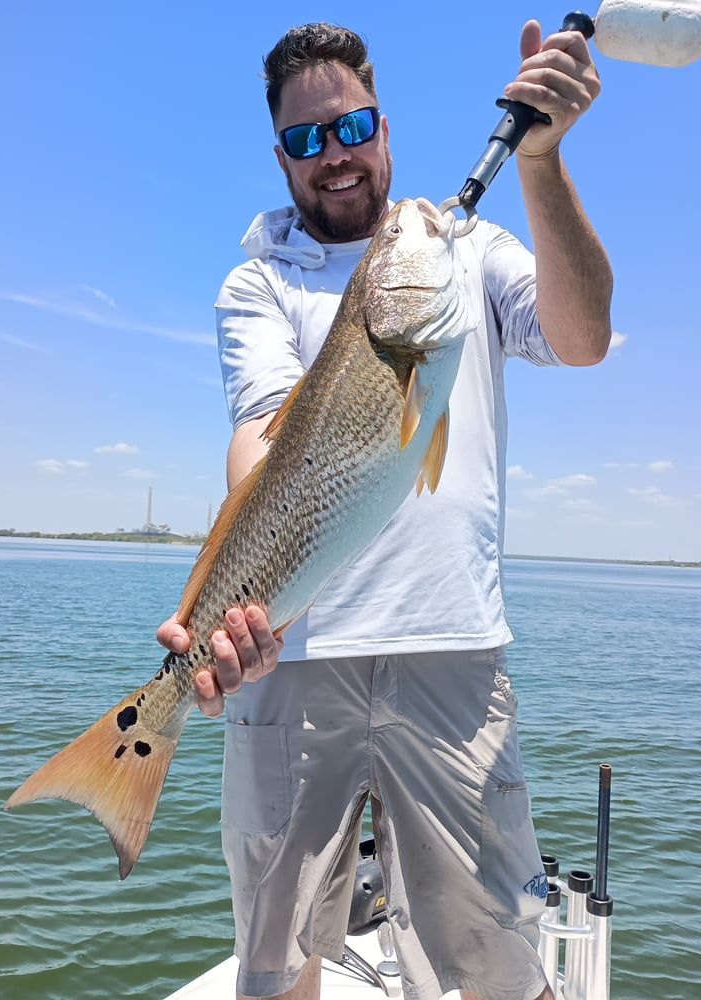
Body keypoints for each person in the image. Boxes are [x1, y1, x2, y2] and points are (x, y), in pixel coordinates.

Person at [158, 18, 612, 1000]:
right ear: (279, 155)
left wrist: (539, 165)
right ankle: (135, 750)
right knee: (275, 968)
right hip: (289, 658)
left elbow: (579, 338)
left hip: (452, 652)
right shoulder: (257, 282)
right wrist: (227, 605)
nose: (333, 155)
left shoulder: (461, 250)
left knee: (496, 965)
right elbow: (262, 441)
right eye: (303, 138)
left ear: (383, 125)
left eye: (350, 124)